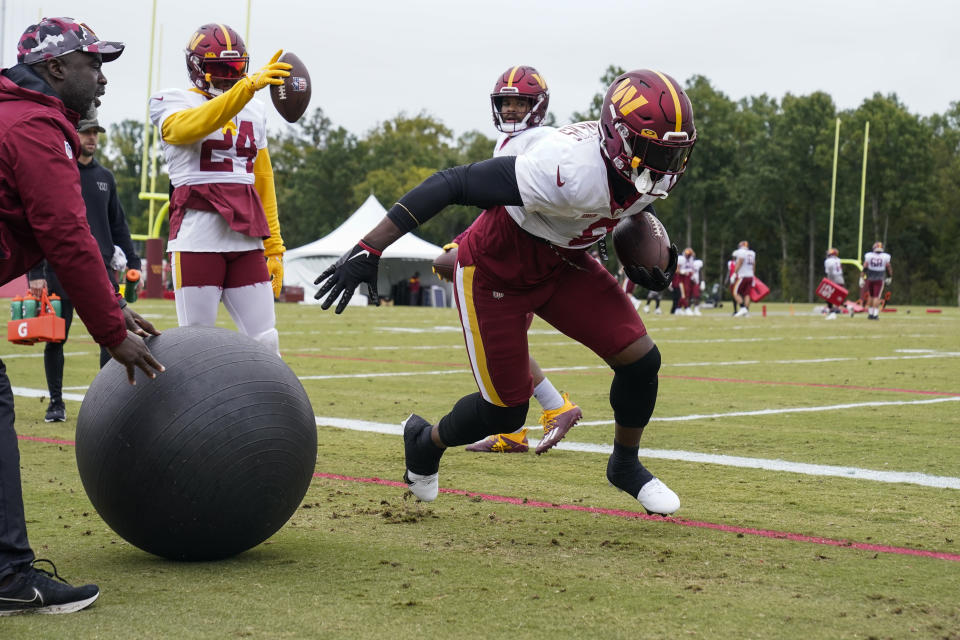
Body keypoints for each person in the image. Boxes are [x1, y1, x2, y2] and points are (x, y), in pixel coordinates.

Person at [314, 69, 695, 516]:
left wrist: (643, 250)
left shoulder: (641, 162)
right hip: (496, 268)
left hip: (564, 260)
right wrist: (369, 246)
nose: (664, 167)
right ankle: (424, 441)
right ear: (617, 141)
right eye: (652, 153)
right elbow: (452, 182)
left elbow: (629, 208)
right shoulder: (563, 168)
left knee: (641, 361)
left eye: (673, 155)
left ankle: (625, 465)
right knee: (506, 413)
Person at [0, 16, 164, 616]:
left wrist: (111, 302)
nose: (101, 79)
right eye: (93, 65)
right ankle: (8, 574)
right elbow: (65, 235)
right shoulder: (36, 125)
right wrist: (110, 331)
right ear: (55, 68)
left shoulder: (14, 112)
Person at [455, 65, 581, 455]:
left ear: (537, 105)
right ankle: (527, 423)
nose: (510, 109)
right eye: (505, 102)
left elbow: (509, 203)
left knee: (498, 347)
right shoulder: (516, 141)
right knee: (507, 347)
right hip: (515, 254)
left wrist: (462, 241)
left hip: (523, 258)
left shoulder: (539, 139)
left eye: (520, 101)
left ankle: (551, 409)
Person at [149, 23, 289, 354]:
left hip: (246, 236)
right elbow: (189, 127)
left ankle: (267, 407)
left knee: (265, 339)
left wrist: (275, 247)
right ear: (197, 68)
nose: (229, 77)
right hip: (198, 234)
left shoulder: (254, 107)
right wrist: (245, 90)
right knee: (196, 342)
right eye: (219, 69)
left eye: (236, 69)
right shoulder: (170, 101)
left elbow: (263, 179)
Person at [26, 115, 142, 423]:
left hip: (101, 272)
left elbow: (118, 225)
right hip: (57, 270)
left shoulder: (105, 176)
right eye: (86, 132)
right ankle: (55, 403)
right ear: (74, 135)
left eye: (95, 133)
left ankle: (104, 404)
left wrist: (134, 262)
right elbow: (37, 221)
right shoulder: (60, 172)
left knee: (111, 334)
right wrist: (35, 272)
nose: (92, 138)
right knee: (56, 338)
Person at [862, 241, 892, 320]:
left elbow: (865, 267)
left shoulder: (869, 255)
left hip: (870, 277)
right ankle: (875, 314)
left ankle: (870, 313)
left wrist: (861, 277)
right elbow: (888, 267)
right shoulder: (885, 256)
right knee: (877, 296)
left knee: (871, 296)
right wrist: (889, 276)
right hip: (879, 277)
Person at [731, 240, 756, 317]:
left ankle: (742, 308)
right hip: (750, 276)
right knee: (747, 294)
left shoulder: (741, 252)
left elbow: (740, 262)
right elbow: (754, 265)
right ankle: (746, 311)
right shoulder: (752, 253)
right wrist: (753, 275)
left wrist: (735, 273)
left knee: (735, 292)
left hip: (743, 276)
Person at [823, 247, 844, 319]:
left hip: (833, 279)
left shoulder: (828, 261)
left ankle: (832, 312)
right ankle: (837, 309)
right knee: (837, 297)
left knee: (829, 296)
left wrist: (829, 281)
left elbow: (828, 272)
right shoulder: (838, 260)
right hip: (840, 279)